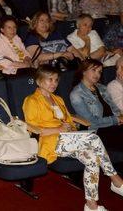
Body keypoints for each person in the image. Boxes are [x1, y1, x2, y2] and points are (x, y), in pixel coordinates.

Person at [23, 65, 123, 211]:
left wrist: (70, 127)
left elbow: (69, 121)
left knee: (92, 159)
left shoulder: (58, 99)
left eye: (56, 80)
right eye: (49, 79)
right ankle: (116, 180)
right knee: (93, 139)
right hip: (51, 142)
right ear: (39, 81)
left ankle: (91, 205)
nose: (53, 83)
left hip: (69, 139)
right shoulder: (31, 100)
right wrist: (58, 129)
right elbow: (33, 129)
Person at [70, 59, 123, 152]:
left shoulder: (102, 88)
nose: (97, 74)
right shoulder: (76, 94)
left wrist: (120, 117)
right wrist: (116, 120)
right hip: (97, 130)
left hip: (113, 126)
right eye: (93, 70)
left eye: (99, 72)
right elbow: (91, 121)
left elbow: (114, 107)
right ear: (84, 71)